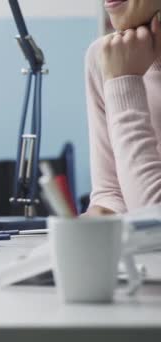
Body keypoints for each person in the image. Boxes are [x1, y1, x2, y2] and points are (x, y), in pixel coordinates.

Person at [85, 0, 161, 216]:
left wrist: (123, 82)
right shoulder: (104, 54)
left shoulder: (116, 65)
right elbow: (111, 191)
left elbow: (154, 215)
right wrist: (99, 214)